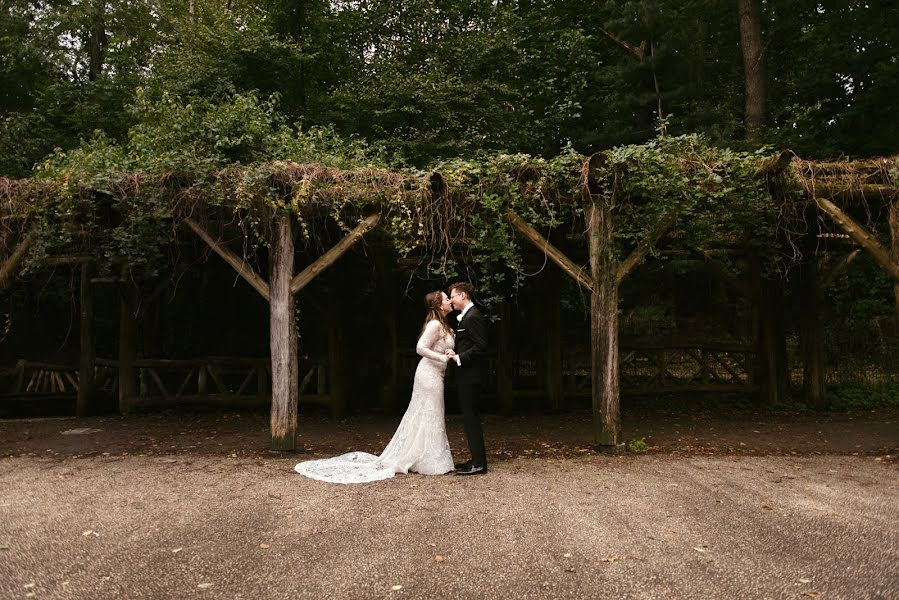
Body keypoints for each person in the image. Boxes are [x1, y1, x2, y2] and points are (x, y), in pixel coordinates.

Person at [294, 291, 456, 484]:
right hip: (428, 374)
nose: (450, 301)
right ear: (439, 305)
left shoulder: (444, 324)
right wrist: (442, 358)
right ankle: (430, 461)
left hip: (436, 374)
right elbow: (420, 348)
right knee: (430, 413)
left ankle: (426, 458)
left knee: (430, 413)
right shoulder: (435, 324)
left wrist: (449, 352)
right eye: (447, 299)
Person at [445, 282, 488, 476]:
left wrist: (458, 357)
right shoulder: (467, 317)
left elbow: (481, 347)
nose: (451, 300)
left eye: (452, 296)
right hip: (466, 376)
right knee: (469, 419)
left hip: (471, 377)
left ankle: (479, 464)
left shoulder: (473, 317)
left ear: (463, 296)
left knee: (472, 419)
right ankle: (476, 459)